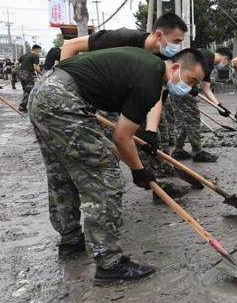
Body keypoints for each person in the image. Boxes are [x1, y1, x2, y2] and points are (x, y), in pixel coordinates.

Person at [28, 47, 207, 284]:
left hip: (45, 92)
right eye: (191, 80)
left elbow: (124, 126)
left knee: (61, 170)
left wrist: (145, 144)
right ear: (175, 67)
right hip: (62, 99)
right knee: (103, 172)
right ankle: (109, 263)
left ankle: (70, 240)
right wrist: (139, 171)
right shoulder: (148, 82)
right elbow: (122, 138)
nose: (189, 87)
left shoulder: (149, 66)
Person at [60, 13, 189, 191]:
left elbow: (154, 94)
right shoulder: (123, 38)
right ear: (159, 35)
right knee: (111, 145)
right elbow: (70, 45)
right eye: (176, 41)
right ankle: (107, 189)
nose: (177, 47)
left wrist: (151, 130)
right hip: (103, 97)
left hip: (132, 97)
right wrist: (72, 92)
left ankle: (158, 183)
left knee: (156, 138)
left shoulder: (160, 56)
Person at [170, 47, 233, 164]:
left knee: (181, 120)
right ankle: (197, 152)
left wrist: (219, 106)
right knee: (193, 119)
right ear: (225, 58)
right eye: (227, 61)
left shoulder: (209, 66)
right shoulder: (206, 56)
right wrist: (189, 87)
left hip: (178, 90)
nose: (226, 64)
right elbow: (183, 69)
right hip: (182, 89)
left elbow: (206, 89)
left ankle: (178, 149)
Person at [17, 45, 42, 111]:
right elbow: (35, 67)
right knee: (29, 90)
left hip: (21, 73)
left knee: (26, 90)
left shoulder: (24, 55)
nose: (39, 52)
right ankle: (22, 106)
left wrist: (19, 70)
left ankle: (24, 105)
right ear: (36, 49)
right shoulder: (35, 56)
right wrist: (42, 74)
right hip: (28, 73)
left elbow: (16, 63)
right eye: (39, 50)